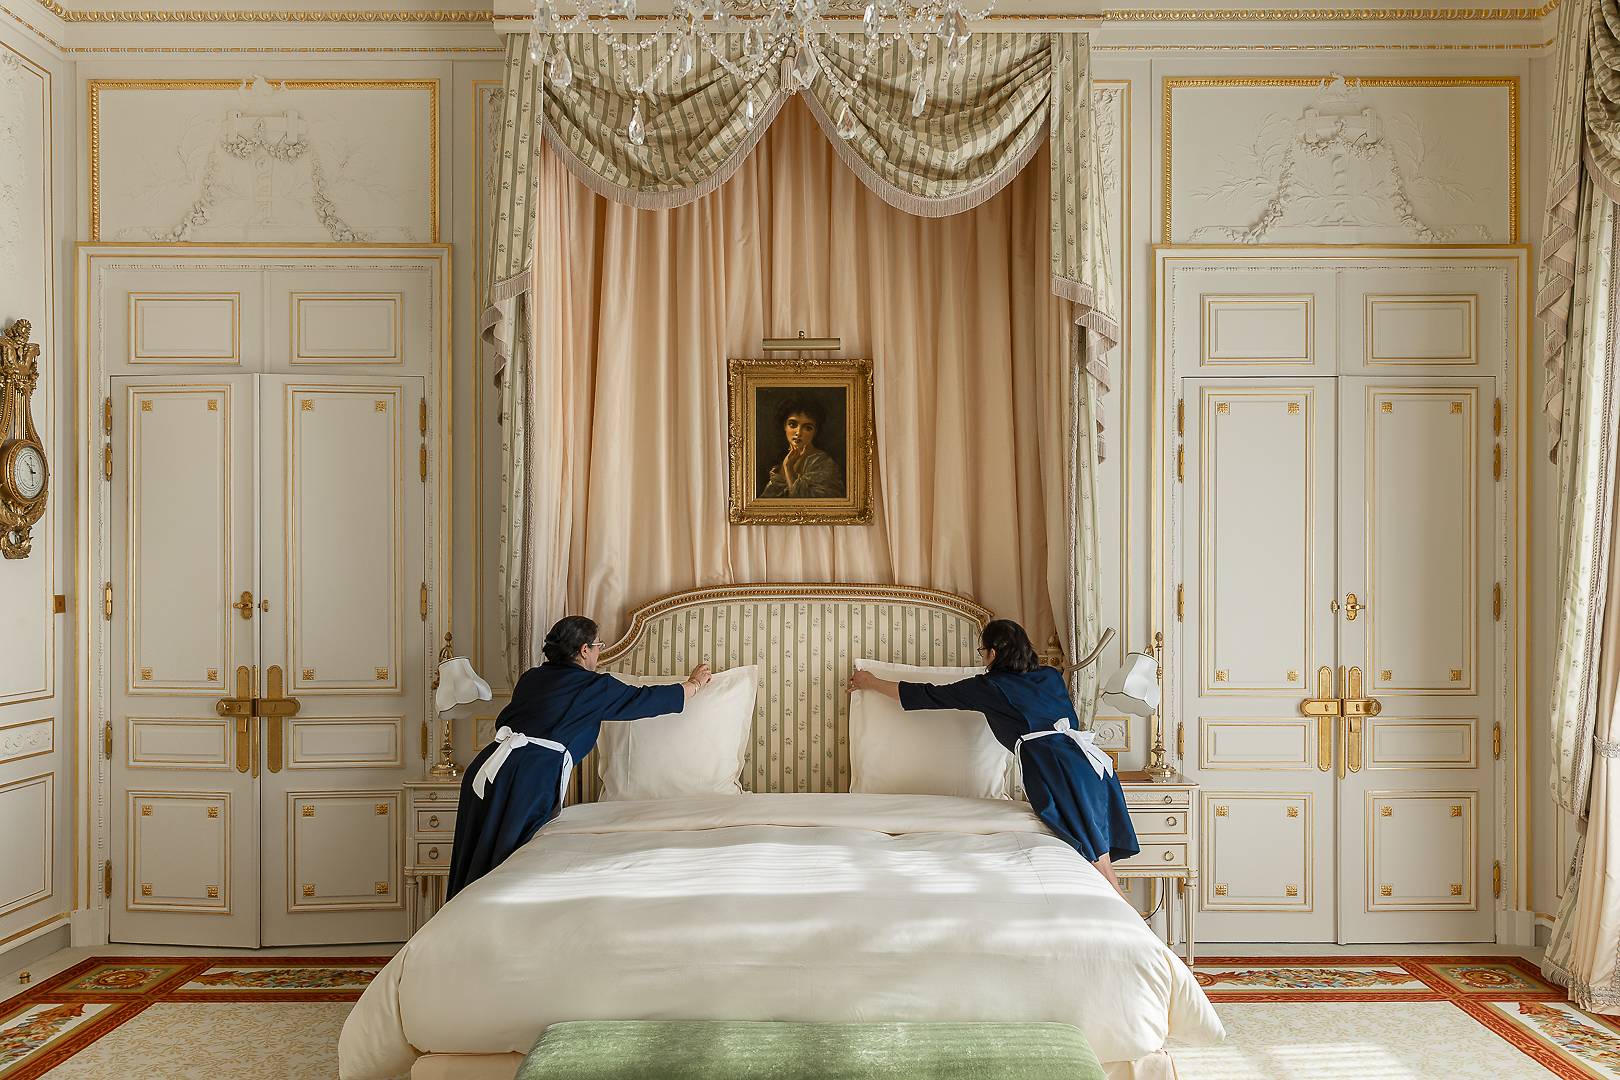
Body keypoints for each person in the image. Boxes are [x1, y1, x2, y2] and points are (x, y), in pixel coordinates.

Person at [848, 618, 1138, 893]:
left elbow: (927, 695)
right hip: (1088, 762)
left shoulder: (990, 687)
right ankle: (1130, 921)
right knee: (1101, 861)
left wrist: (870, 682)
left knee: (1095, 862)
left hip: (1054, 770)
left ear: (993, 653)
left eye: (981, 651)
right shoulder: (1050, 676)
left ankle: (1131, 920)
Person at [445, 615, 712, 899]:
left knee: (476, 859)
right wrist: (693, 686)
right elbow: (644, 699)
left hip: (487, 769)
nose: (599, 652)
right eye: (598, 646)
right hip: (527, 778)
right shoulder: (594, 687)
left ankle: (460, 929)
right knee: (508, 869)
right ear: (584, 650)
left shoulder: (531, 678)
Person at [761, 397, 844, 498]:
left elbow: (810, 505)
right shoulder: (781, 461)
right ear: (784, 426)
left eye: (808, 428)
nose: (798, 432)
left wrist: (789, 468)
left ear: (815, 432)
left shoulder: (823, 463)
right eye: (792, 425)